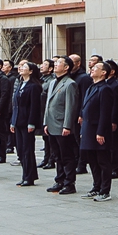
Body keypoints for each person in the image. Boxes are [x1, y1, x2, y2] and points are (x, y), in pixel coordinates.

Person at [80, 59, 118, 201]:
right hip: (88, 129)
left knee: (103, 161)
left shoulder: (105, 89)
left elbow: (105, 113)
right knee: (92, 161)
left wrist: (101, 132)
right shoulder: (91, 87)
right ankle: (96, 186)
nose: (92, 68)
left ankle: (105, 190)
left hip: (98, 130)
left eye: (96, 67)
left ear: (104, 72)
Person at [43, 56, 80, 194]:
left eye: (59, 63)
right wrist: (45, 122)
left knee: (67, 156)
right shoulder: (53, 82)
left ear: (66, 67)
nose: (55, 64)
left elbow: (71, 107)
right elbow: (48, 104)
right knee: (57, 155)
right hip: (51, 124)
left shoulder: (70, 84)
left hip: (62, 125)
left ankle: (69, 183)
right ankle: (59, 180)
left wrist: (67, 126)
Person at [10, 59, 44, 184]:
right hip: (18, 120)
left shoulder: (34, 86)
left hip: (27, 121)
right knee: (20, 149)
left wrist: (31, 123)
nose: (21, 68)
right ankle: (25, 175)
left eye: (24, 67)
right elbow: (15, 105)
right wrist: (13, 122)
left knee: (27, 149)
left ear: (31, 71)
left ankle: (29, 176)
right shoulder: (20, 84)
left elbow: (34, 106)